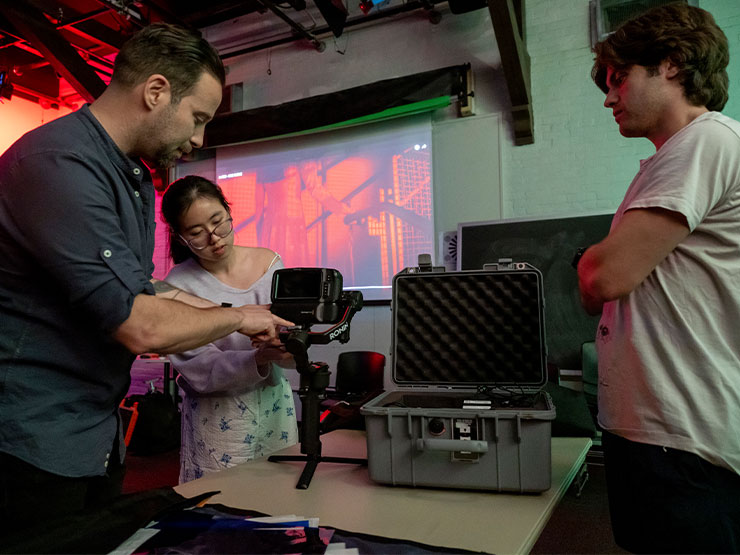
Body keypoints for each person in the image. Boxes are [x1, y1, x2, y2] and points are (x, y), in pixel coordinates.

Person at [0, 23, 290, 534]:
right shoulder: (58, 162)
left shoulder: (129, 177)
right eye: (197, 118)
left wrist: (244, 320)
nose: (199, 139)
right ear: (156, 92)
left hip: (90, 433)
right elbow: (140, 325)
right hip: (30, 440)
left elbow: (144, 289)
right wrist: (239, 315)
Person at [576, 4, 740, 553]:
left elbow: (603, 278)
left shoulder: (703, 141)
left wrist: (589, 264)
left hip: (680, 435)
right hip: (658, 430)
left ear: (671, 65)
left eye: (619, 78)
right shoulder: (676, 156)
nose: (608, 97)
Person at [161, 175, 298, 483]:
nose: (215, 238)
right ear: (180, 238)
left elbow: (289, 341)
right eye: (197, 233)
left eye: (218, 222)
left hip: (275, 406)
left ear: (228, 209)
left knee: (280, 496)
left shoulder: (269, 263)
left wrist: (287, 346)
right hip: (219, 417)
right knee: (221, 506)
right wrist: (258, 357)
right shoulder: (176, 287)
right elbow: (198, 367)